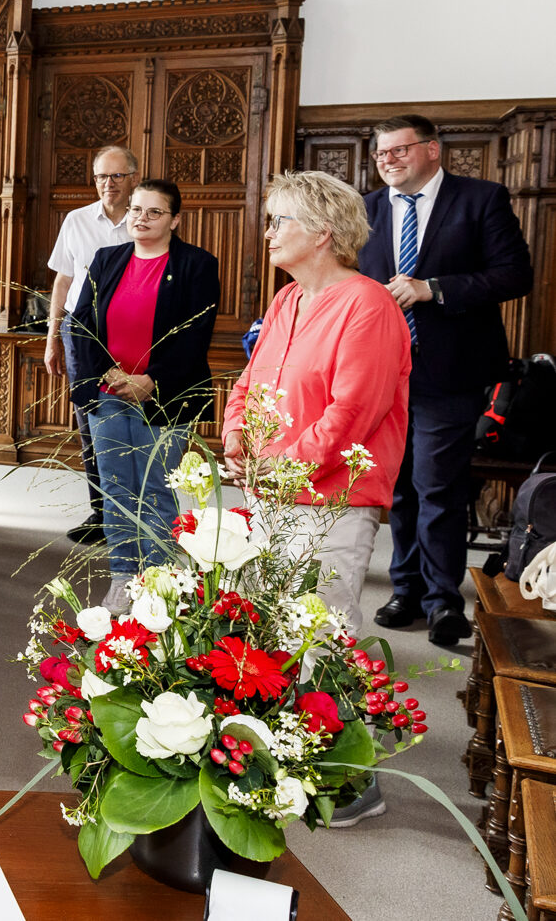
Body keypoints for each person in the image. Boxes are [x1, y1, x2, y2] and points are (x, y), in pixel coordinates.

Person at [223, 171, 411, 826]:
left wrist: (276, 463)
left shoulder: (369, 306)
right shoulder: (286, 301)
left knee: (324, 633)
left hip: (334, 498)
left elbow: (352, 413)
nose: (268, 231)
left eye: (280, 221)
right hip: (271, 493)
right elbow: (251, 380)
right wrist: (235, 432)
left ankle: (350, 781)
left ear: (323, 232)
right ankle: (282, 761)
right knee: (268, 627)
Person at [361, 115, 533, 649]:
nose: (388, 160)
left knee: (437, 486)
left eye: (399, 150)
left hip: (451, 370)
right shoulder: (366, 210)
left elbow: (514, 274)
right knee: (398, 488)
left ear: (432, 149)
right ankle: (404, 590)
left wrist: (433, 288)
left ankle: (442, 602)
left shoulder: (480, 199)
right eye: (381, 153)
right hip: (384, 372)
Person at [66, 179, 219, 611]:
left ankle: (159, 582)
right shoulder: (106, 258)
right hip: (107, 391)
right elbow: (80, 326)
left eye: (154, 212)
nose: (141, 219)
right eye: (135, 210)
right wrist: (109, 375)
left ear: (175, 220)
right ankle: (122, 576)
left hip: (164, 394)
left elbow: (194, 334)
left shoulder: (196, 264)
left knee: (156, 488)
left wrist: (150, 379)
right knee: (115, 487)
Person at [45, 145, 140, 544]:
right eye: (101, 176)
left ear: (133, 177)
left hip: (133, 331)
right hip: (82, 334)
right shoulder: (77, 220)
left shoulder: (145, 218)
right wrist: (52, 338)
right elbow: (63, 281)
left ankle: (133, 513)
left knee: (133, 422)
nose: (108, 184)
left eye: (116, 176)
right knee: (91, 424)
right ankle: (100, 513)